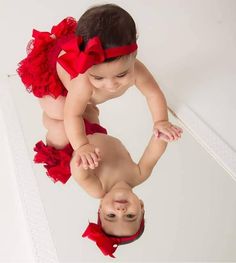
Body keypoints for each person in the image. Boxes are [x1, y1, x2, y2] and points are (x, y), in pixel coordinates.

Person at [17, 3, 183, 172]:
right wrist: (81, 146)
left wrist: (161, 121)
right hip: (56, 77)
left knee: (88, 122)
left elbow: (153, 94)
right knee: (61, 114)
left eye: (121, 74)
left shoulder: (137, 70)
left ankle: (87, 109)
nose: (111, 85)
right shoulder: (82, 82)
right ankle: (50, 120)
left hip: (83, 94)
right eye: (98, 77)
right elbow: (72, 114)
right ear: (87, 68)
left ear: (134, 56)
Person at [35, 100, 168, 258]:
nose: (120, 211)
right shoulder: (139, 174)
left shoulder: (98, 188)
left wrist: (82, 160)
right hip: (93, 130)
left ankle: (50, 100)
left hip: (68, 147)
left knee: (58, 118)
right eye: (130, 216)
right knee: (88, 108)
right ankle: (74, 93)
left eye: (111, 216)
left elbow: (80, 175)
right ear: (140, 205)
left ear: (101, 208)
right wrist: (162, 134)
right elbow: (153, 154)